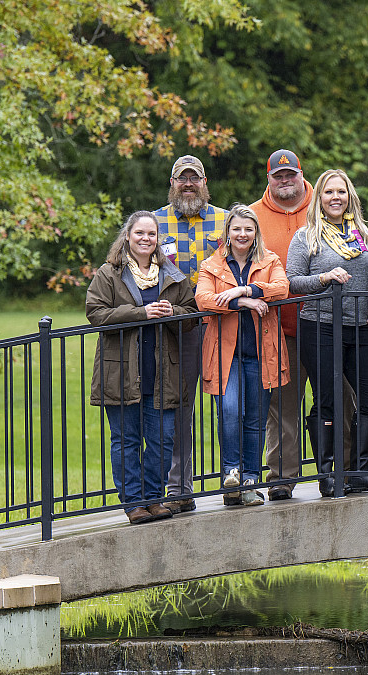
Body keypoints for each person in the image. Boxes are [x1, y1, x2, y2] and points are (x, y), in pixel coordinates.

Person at [287, 169, 368, 497]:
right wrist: (322, 279)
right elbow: (292, 281)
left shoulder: (362, 234)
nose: (336, 198)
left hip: (360, 328)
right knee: (328, 401)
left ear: (350, 197)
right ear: (318, 198)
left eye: (342, 192)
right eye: (329, 192)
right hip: (319, 326)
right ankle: (328, 473)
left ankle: (360, 471)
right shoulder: (306, 237)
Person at [87, 211, 197, 524]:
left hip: (162, 373)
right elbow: (95, 313)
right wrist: (140, 313)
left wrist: (171, 311)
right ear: (128, 236)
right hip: (121, 371)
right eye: (140, 234)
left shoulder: (172, 275)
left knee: (162, 440)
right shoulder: (109, 273)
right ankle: (134, 503)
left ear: (157, 240)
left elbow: (191, 316)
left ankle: (154, 498)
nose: (145, 239)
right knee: (127, 440)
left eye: (151, 234)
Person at [195, 205, 291, 505]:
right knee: (231, 412)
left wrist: (243, 291)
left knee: (256, 418)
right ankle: (231, 473)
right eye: (236, 229)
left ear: (255, 233)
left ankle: (250, 480)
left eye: (248, 229)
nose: (242, 234)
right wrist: (245, 304)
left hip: (262, 354)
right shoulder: (211, 265)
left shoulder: (269, 260)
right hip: (225, 356)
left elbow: (281, 288)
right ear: (228, 233)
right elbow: (203, 299)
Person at [154, 155, 226, 514]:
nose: (187, 184)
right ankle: (179, 487)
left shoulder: (226, 220)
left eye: (193, 178)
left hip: (221, 324)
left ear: (204, 181)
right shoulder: (153, 222)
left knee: (229, 402)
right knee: (178, 406)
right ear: (171, 183)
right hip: (177, 328)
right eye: (181, 179)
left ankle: (235, 479)